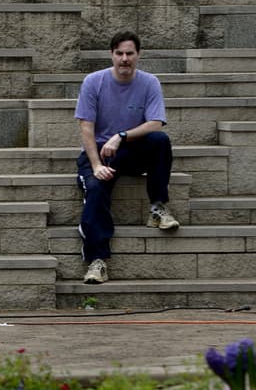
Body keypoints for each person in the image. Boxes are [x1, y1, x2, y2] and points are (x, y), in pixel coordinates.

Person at [74, 30, 179, 285]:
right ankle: (97, 261)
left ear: (138, 55)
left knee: (160, 141)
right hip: (99, 153)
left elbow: (155, 123)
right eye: (119, 53)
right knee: (97, 189)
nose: (124, 59)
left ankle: (157, 208)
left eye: (129, 53)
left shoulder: (149, 82)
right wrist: (97, 165)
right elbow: (86, 128)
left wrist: (121, 135)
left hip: (129, 150)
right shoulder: (93, 81)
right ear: (111, 55)